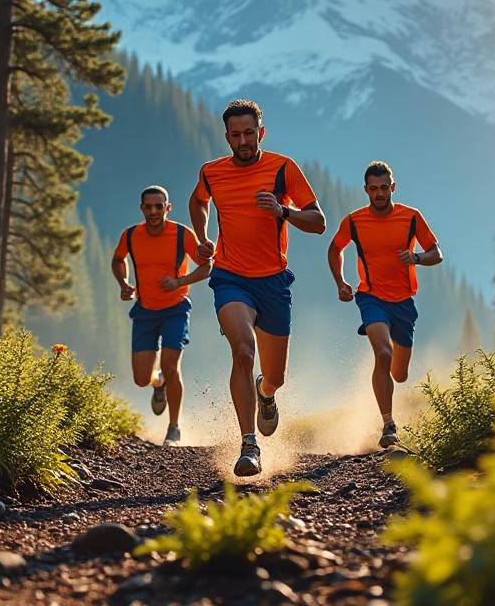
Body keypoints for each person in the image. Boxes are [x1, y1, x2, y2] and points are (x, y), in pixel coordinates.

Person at [189, 99, 325, 477]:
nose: (244, 141)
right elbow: (198, 201)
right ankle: (249, 445)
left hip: (273, 282)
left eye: (250, 133)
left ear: (261, 132)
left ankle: (266, 393)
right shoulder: (212, 172)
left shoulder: (283, 168)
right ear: (227, 137)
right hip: (230, 278)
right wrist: (202, 237)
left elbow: (318, 222)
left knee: (275, 376)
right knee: (243, 350)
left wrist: (283, 211)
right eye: (236, 135)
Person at [327, 161, 442, 449]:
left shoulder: (411, 217)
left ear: (393, 187)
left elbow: (436, 253)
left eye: (384, 188)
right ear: (366, 190)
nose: (379, 193)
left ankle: (390, 389)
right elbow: (335, 248)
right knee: (383, 352)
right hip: (371, 297)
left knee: (399, 374)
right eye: (373, 189)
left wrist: (416, 258)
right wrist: (341, 282)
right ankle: (388, 424)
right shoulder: (355, 221)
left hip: (403, 302)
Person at [112, 185, 212, 446]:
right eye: (149, 207)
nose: (154, 211)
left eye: (159, 206)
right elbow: (118, 259)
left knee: (171, 365)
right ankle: (159, 384)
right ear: (142, 208)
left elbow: (207, 266)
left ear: (168, 208)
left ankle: (174, 428)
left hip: (175, 309)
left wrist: (180, 282)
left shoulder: (181, 234)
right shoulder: (131, 235)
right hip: (144, 311)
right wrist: (124, 284)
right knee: (141, 379)